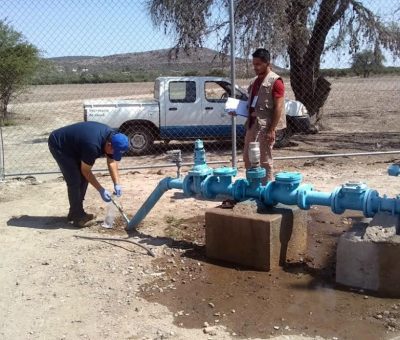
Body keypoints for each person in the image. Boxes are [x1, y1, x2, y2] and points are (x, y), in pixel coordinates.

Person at [48, 121, 129, 227]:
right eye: (115, 152)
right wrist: (101, 190)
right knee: (75, 180)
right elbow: (86, 170)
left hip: (76, 145)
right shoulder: (92, 146)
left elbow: (112, 161)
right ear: (109, 145)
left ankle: (75, 212)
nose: (115, 155)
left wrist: (117, 183)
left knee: (83, 178)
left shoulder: (113, 138)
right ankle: (77, 217)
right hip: (60, 145)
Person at [234, 48, 286, 183]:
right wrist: (237, 110)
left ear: (267, 63)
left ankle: (266, 190)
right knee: (248, 158)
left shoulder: (276, 82)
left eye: (258, 64)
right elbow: (250, 104)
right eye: (254, 64)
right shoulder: (254, 82)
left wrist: (271, 130)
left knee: (264, 160)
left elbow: (279, 107)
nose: (255, 67)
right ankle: (253, 187)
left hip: (265, 127)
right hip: (252, 125)